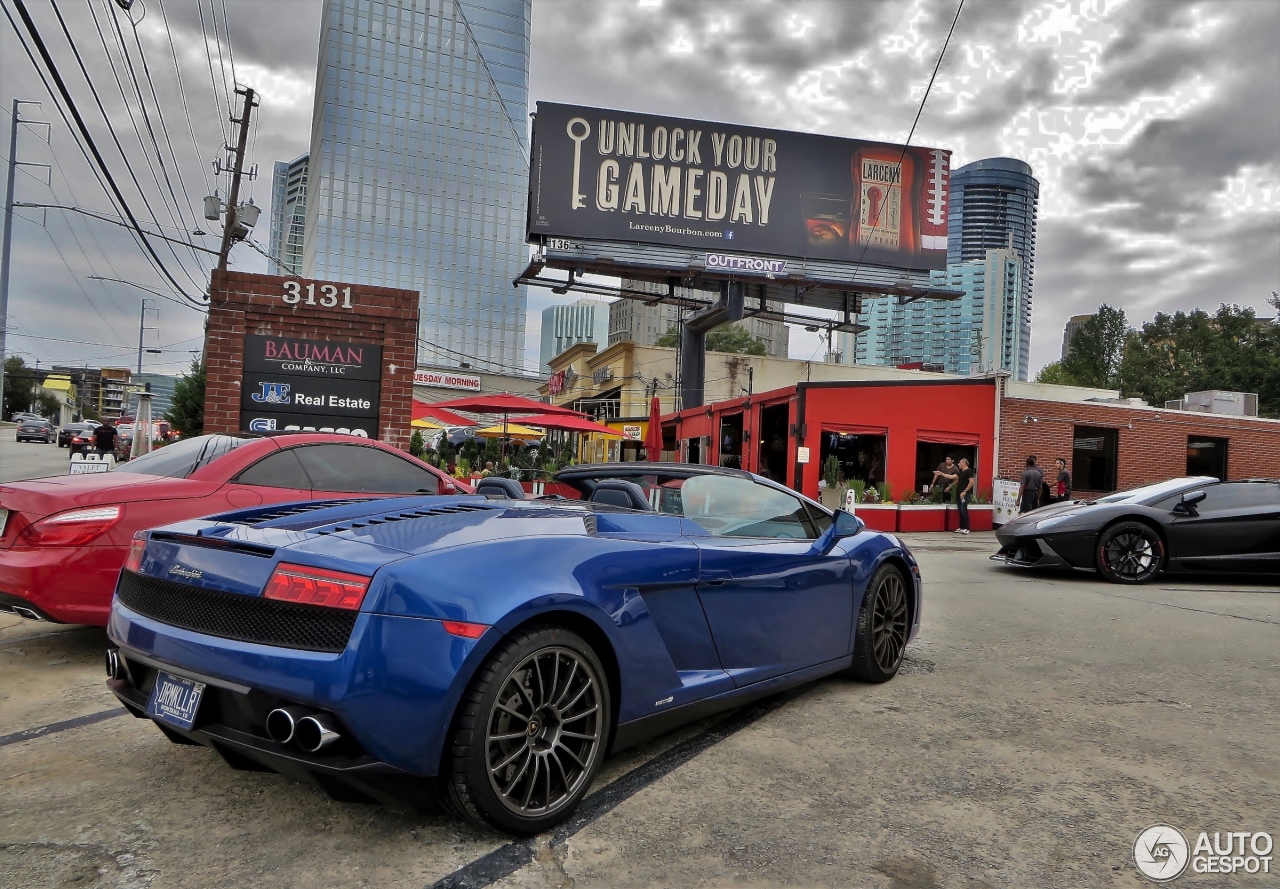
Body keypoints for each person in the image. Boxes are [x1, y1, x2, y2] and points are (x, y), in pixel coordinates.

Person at [953, 457, 976, 533]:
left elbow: (972, 482)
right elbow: (952, 477)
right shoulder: (961, 472)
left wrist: (965, 491)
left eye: (960, 462)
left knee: (963, 510)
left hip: (965, 494)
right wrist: (941, 473)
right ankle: (961, 527)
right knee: (960, 511)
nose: (958, 464)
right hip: (959, 494)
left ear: (964, 463)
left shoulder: (969, 471)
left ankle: (966, 528)